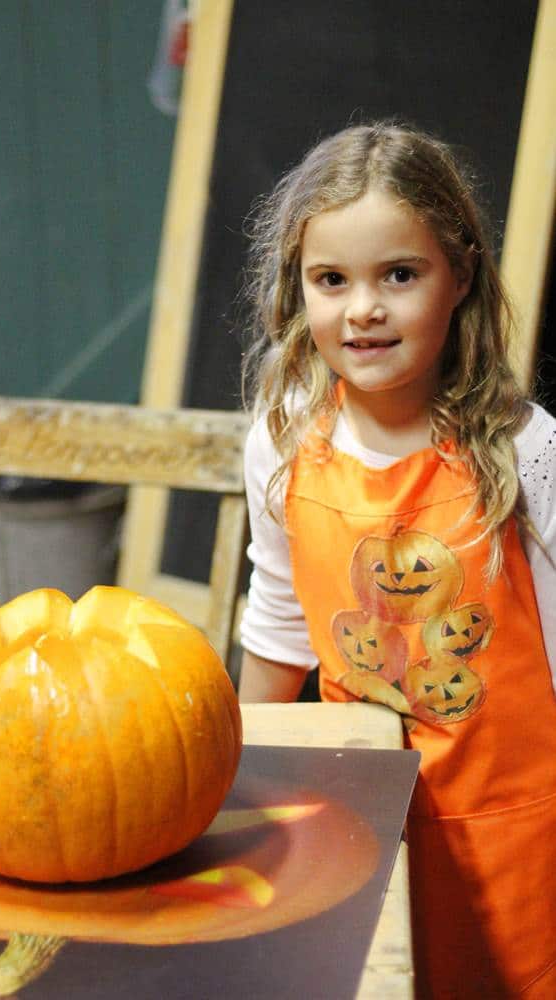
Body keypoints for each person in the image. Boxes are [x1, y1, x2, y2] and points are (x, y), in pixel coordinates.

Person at [237, 121, 556, 998]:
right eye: (330, 280)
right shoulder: (280, 441)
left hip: (517, 831)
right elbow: (276, 620)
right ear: (297, 289)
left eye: (398, 276)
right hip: (360, 818)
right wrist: (233, 779)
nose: (362, 308)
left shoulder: (524, 448)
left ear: (457, 277)